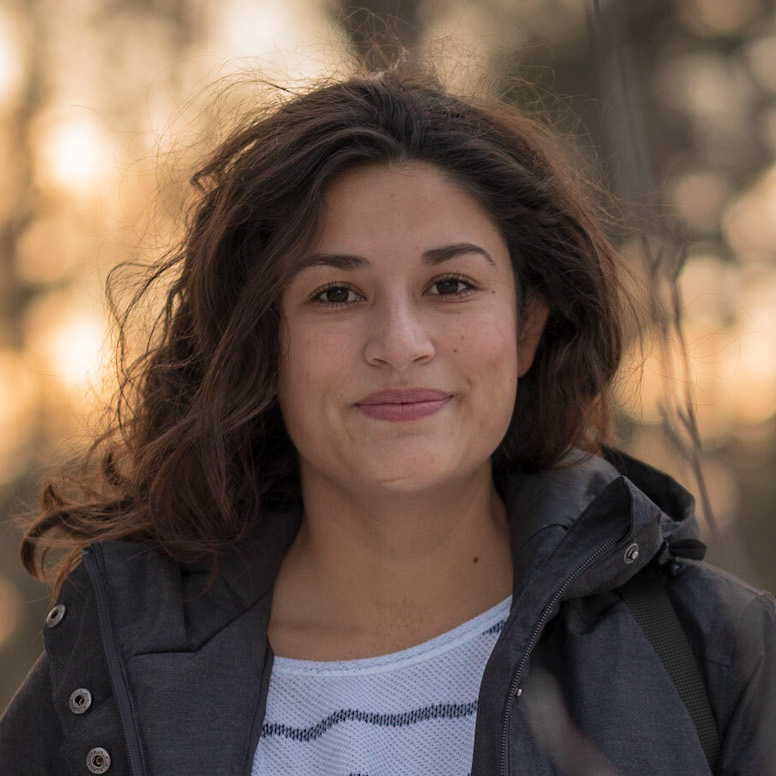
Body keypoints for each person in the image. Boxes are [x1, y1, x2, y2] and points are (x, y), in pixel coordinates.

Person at [1, 56, 774, 776]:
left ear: (527, 327)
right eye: (336, 294)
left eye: (451, 285)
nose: (401, 345)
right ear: (262, 344)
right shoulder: (116, 673)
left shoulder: (717, 658)